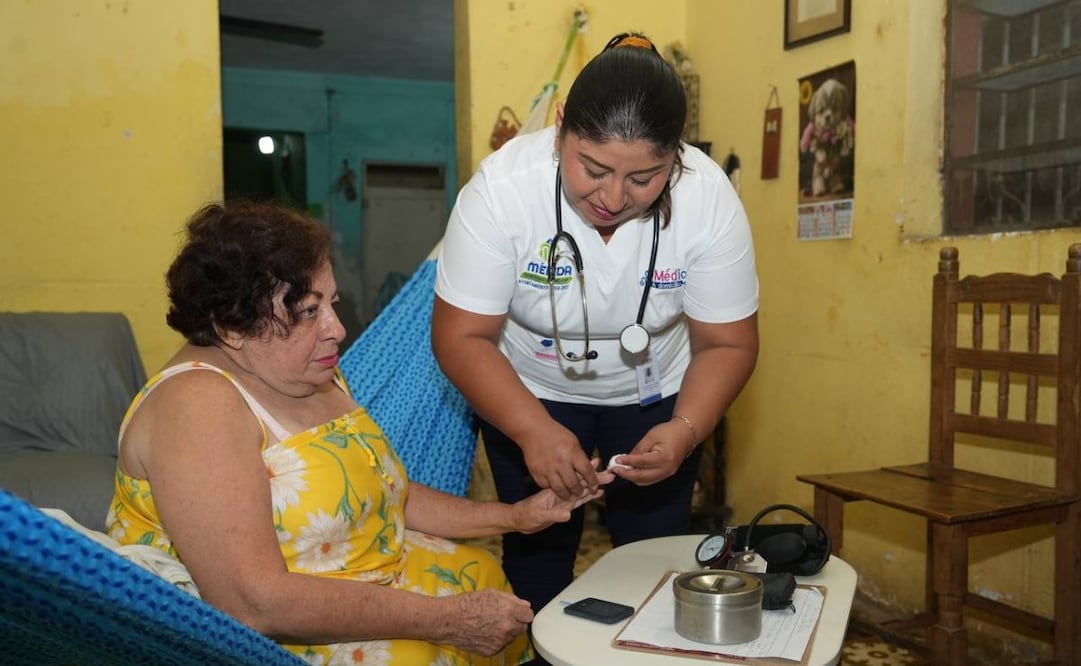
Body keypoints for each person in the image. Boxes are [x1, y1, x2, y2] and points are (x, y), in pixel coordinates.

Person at [106, 200, 613, 664]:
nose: (337, 328)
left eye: (331, 302)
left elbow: (382, 494)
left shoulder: (308, 368)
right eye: (307, 312)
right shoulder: (197, 407)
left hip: (398, 598)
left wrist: (515, 517)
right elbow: (252, 602)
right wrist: (448, 619)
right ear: (232, 327)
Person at [431, 32, 760, 614]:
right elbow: (461, 335)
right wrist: (532, 430)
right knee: (538, 564)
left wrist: (685, 429)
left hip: (655, 396)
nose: (612, 196)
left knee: (653, 566)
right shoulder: (502, 192)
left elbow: (728, 342)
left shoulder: (707, 199)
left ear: (675, 156)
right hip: (526, 389)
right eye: (593, 168)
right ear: (560, 127)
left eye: (644, 178)